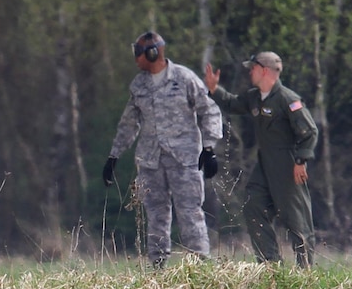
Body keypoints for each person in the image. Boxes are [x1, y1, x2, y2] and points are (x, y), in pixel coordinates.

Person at [103, 31, 222, 265]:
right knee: (156, 216)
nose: (136, 59)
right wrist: (113, 156)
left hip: (184, 160)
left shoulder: (184, 78)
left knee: (190, 214)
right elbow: (128, 123)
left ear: (153, 53)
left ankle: (200, 268)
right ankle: (158, 268)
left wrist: (209, 148)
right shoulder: (139, 85)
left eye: (139, 53)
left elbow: (209, 110)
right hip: (150, 162)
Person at [203, 51, 318, 266]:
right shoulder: (254, 97)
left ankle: (306, 271)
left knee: (296, 219)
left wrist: (301, 161)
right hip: (264, 164)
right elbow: (232, 104)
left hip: (287, 164)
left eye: (253, 68)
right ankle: (270, 265)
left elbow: (309, 132)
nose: (250, 72)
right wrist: (214, 89)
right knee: (253, 205)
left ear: (264, 70)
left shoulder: (288, 100)